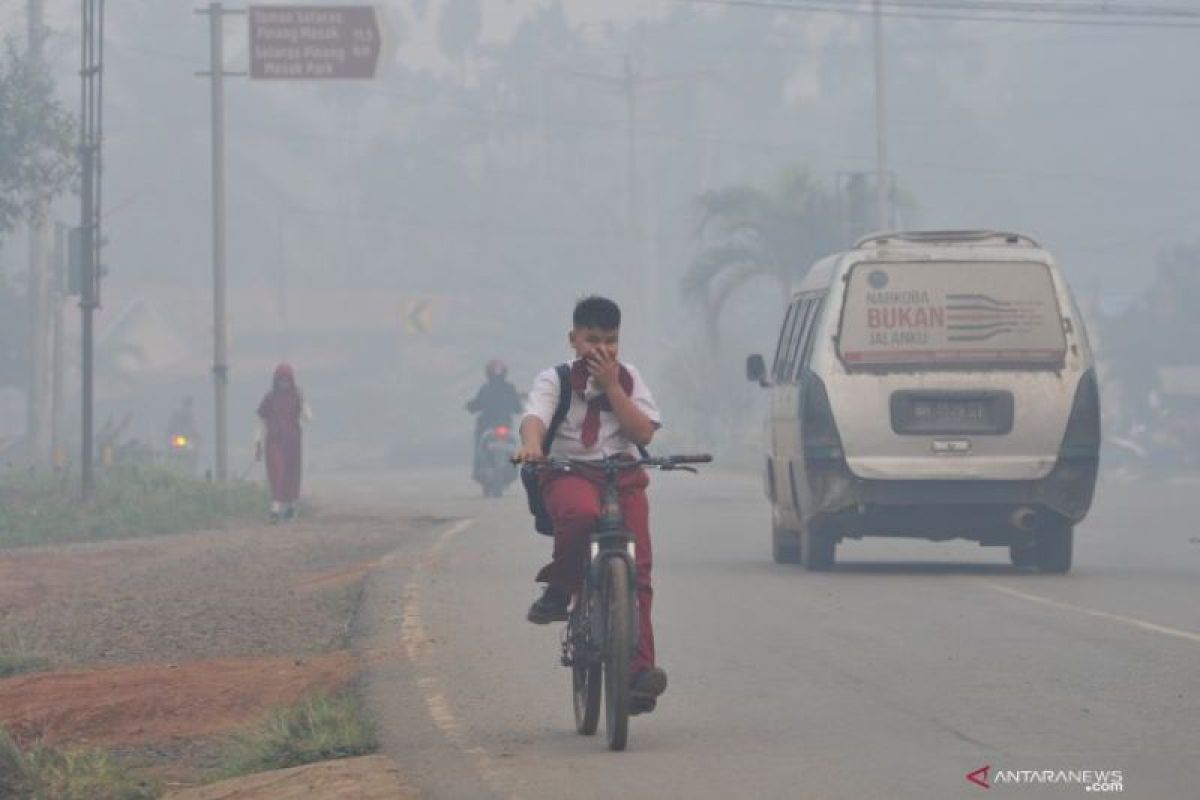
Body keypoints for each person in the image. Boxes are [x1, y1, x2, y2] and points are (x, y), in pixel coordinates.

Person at [513, 295, 667, 715]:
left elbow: (644, 433)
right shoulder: (556, 379)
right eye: (592, 339)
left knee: (641, 573)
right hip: (569, 472)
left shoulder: (630, 378)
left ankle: (638, 675)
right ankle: (562, 586)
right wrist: (530, 445)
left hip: (623, 477)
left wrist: (613, 386)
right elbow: (535, 418)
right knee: (580, 514)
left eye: (611, 340)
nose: (602, 348)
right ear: (574, 339)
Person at [256, 363, 311, 522]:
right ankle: (275, 508)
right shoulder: (270, 398)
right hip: (274, 441)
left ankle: (291, 507)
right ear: (276, 380)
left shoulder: (296, 397)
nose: (284, 383)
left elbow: (308, 418)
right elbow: (261, 421)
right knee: (276, 473)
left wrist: (303, 401)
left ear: (292, 380)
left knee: (292, 475)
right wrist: (258, 442)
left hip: (293, 442)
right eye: (281, 380)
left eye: (287, 380)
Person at [466, 359, 524, 480]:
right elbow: (518, 408)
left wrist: (471, 406)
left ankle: (478, 470)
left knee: (479, 445)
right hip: (505, 425)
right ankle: (512, 468)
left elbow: (476, 405)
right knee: (513, 444)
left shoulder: (486, 388)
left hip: (487, 425)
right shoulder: (509, 388)